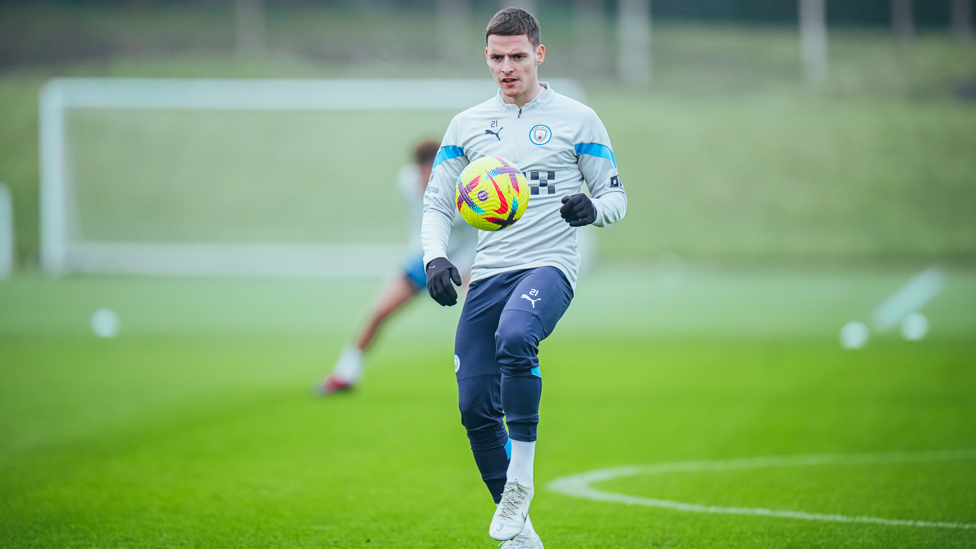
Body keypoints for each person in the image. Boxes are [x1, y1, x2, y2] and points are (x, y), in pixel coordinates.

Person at [421, 8, 627, 549]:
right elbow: (438, 202)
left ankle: (521, 480)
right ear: (486, 58)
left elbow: (616, 196)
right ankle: (522, 538)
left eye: (517, 56)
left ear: (539, 54)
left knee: (517, 336)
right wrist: (435, 258)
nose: (507, 67)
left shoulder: (578, 119)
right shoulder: (467, 126)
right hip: (489, 273)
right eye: (497, 57)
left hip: (549, 265)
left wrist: (593, 210)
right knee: (473, 407)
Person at [316, 139, 476, 396]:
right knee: (379, 312)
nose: (427, 182)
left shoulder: (469, 187)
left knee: (477, 315)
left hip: (468, 258)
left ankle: (490, 377)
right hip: (425, 257)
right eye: (423, 175)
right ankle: (345, 374)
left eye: (432, 175)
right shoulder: (406, 182)